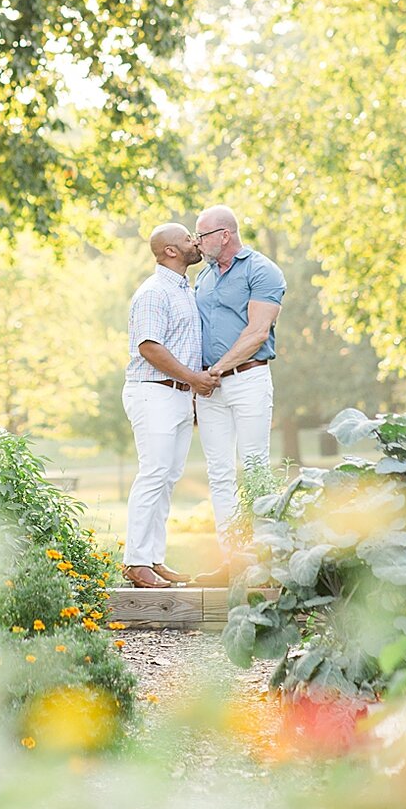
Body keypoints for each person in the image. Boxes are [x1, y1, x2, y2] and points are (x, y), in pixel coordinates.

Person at [188, 204, 286, 587]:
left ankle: (262, 561)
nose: (198, 243)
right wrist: (197, 381)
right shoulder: (204, 277)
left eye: (203, 235)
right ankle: (231, 562)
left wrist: (215, 370)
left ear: (224, 235)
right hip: (211, 390)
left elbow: (257, 333)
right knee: (219, 474)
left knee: (256, 467)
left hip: (247, 380)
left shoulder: (262, 271)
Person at [119, 222, 219, 589]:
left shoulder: (184, 290)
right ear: (171, 251)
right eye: (188, 240)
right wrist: (194, 379)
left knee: (167, 478)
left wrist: (191, 387)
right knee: (154, 472)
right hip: (153, 392)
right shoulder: (154, 292)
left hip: (177, 396)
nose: (196, 243)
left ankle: (153, 558)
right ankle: (135, 561)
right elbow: (149, 346)